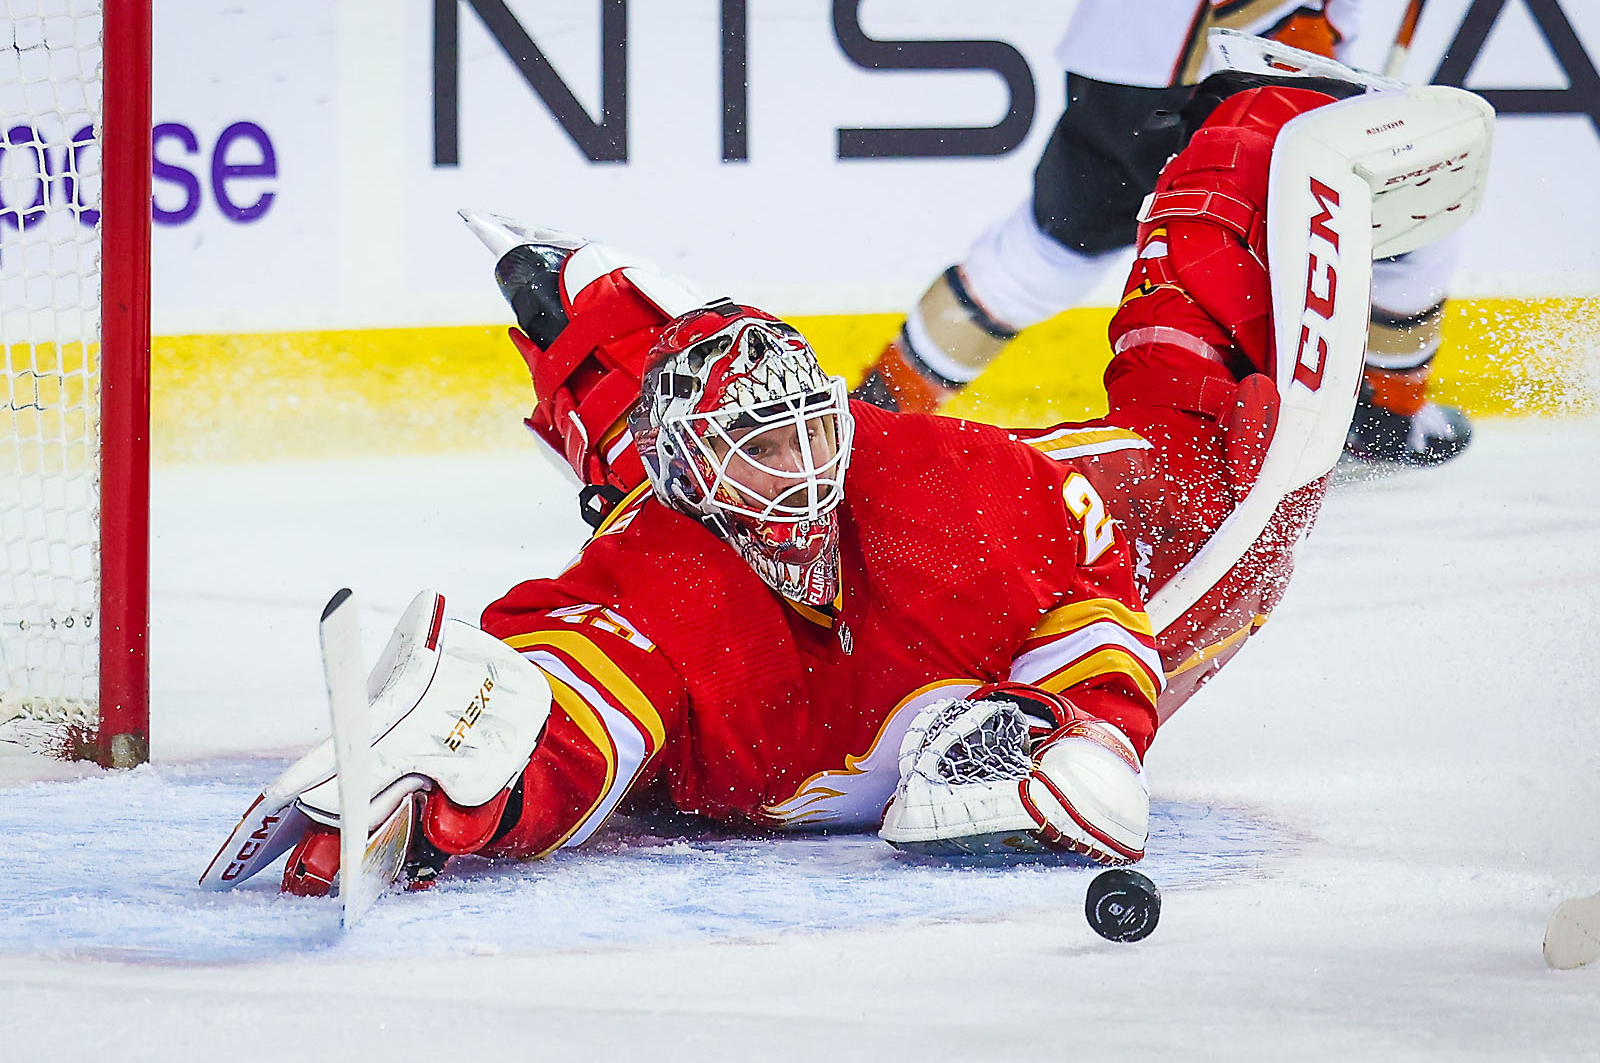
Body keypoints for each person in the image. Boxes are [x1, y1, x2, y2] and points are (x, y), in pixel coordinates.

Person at [199, 68, 1491, 896]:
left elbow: (1090, 575)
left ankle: (1257, 132)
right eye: (762, 448)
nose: (811, 464)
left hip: (1032, 515)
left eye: (813, 426)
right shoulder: (667, 586)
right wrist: (441, 803)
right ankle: (606, 361)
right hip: (722, 549)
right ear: (696, 482)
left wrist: (1098, 723)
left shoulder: (934, 483)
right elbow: (570, 702)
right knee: (682, 453)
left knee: (1223, 487)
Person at [853, 0, 1474, 467]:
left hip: (1126, 62)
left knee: (1047, 253)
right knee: (1407, 206)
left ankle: (875, 417)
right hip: (1255, 59)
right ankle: (1387, 414)